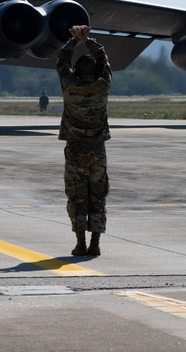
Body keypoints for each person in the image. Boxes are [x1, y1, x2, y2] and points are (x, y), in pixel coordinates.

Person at [56, 24, 111, 257]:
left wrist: (74, 41)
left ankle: (80, 243)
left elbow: (61, 61)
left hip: (76, 149)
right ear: (96, 71)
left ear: (76, 71)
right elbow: (104, 60)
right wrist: (87, 39)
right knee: (97, 196)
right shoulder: (103, 85)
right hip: (97, 150)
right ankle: (95, 243)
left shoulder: (70, 85)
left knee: (77, 196)